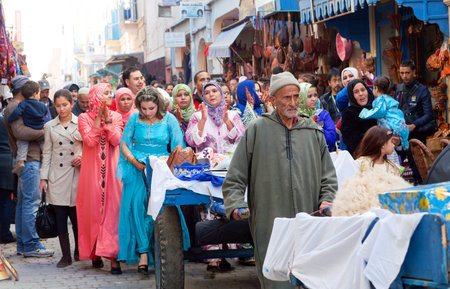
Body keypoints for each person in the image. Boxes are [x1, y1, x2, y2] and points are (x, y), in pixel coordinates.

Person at [223, 71, 338, 289]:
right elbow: (235, 176)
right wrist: (236, 204)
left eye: (296, 96)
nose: (293, 102)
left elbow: (328, 177)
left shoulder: (312, 131)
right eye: (287, 97)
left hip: (309, 219)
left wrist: (328, 199)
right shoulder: (257, 130)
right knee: (276, 279)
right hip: (270, 221)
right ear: (273, 100)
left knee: (309, 277)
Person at [117, 86, 184, 273]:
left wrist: (166, 159)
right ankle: (143, 253)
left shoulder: (169, 119)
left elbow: (178, 146)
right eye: (143, 109)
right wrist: (134, 161)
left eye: (151, 109)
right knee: (138, 208)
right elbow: (124, 143)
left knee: (160, 210)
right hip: (137, 168)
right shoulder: (134, 118)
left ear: (159, 106)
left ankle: (163, 251)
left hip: (161, 170)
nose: (147, 112)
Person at [3, 75, 54, 257]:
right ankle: (31, 244)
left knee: (24, 203)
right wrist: (45, 132)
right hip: (29, 161)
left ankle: (25, 245)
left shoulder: (16, 106)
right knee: (31, 203)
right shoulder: (15, 107)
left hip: (28, 160)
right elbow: (20, 132)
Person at [76, 83, 123, 274]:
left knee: (112, 212)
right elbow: (89, 141)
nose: (108, 96)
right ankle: (94, 252)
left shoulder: (117, 116)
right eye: (105, 93)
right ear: (95, 96)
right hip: (91, 173)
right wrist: (98, 121)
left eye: (110, 93)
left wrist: (108, 120)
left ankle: (113, 257)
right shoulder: (83, 118)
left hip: (112, 173)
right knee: (93, 211)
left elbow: (116, 140)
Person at [39, 89, 82, 268]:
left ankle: (80, 250)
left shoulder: (81, 123)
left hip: (77, 174)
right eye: (58, 105)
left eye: (65, 105)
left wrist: (83, 157)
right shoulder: (49, 126)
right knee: (60, 217)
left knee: (77, 217)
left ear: (72, 104)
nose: (62, 109)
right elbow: (47, 153)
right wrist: (43, 179)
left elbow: (90, 145)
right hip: (57, 176)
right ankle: (65, 255)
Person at [185, 80, 245, 154]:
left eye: (214, 91)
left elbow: (242, 139)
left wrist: (227, 121)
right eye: (207, 93)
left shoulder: (232, 115)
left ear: (221, 94)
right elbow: (192, 142)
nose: (211, 94)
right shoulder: (197, 116)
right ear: (203, 97)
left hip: (229, 162)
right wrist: (203, 120)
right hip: (207, 163)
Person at [360, 76, 409, 151]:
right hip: (400, 126)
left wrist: (365, 113)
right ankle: (405, 145)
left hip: (391, 128)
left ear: (376, 88)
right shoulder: (389, 99)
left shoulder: (381, 99)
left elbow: (379, 112)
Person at [7, 81, 46, 175]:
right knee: (43, 143)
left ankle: (21, 161)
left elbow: (17, 113)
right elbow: (45, 112)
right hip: (40, 127)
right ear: (35, 94)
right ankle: (44, 154)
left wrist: (10, 119)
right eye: (39, 93)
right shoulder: (42, 105)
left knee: (22, 144)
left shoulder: (23, 104)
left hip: (29, 127)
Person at [393, 60, 435, 144]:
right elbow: (394, 111)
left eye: (407, 73)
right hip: (401, 134)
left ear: (413, 72)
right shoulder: (398, 89)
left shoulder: (422, 90)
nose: (404, 76)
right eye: (402, 73)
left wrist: (414, 125)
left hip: (418, 134)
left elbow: (428, 114)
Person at [341, 79, 377, 155]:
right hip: (361, 157)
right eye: (356, 92)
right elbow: (351, 140)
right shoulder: (349, 114)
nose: (361, 94)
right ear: (351, 95)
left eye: (363, 90)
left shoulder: (376, 109)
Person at [298, 82, 337, 151]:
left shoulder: (323, 114)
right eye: (309, 96)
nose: (314, 99)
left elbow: (332, 140)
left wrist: (318, 128)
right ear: (301, 98)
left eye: (315, 95)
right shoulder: (296, 118)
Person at [0, 112, 16, 244]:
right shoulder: (6, 122)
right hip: (7, 163)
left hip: (5, 161)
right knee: (6, 201)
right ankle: (4, 234)